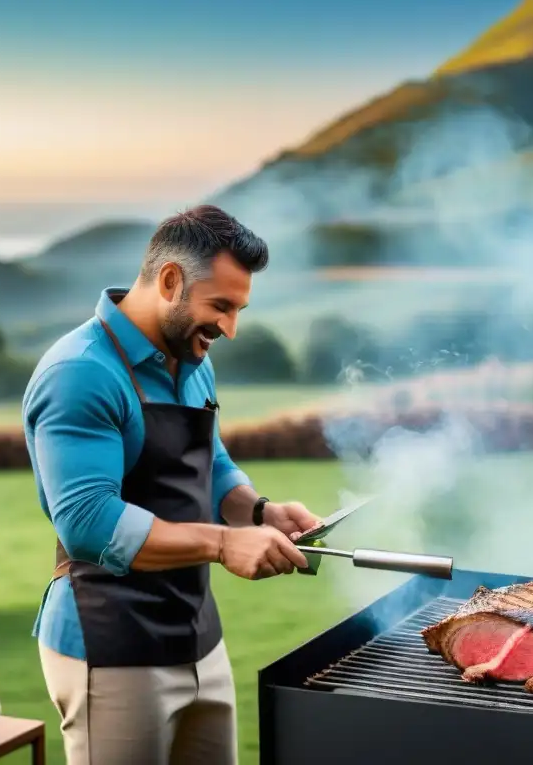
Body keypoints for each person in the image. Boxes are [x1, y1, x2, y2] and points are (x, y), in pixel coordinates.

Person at [21, 205, 322, 765]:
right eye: (221, 307)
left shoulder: (192, 357)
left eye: (239, 309)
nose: (231, 328)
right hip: (112, 644)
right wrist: (225, 543)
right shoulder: (80, 372)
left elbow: (211, 462)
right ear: (169, 281)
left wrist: (258, 512)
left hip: (198, 636)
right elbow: (87, 523)